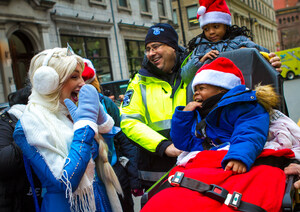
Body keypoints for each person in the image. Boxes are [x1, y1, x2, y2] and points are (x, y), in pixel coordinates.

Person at [13, 47, 123, 212]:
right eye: (74, 76)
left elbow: (107, 158)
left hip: (99, 201)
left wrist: (102, 121)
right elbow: (64, 182)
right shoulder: (29, 124)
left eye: (81, 76)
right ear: (49, 82)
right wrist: (85, 127)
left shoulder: (71, 112)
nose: (82, 83)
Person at [171, 57, 279, 173]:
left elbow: (249, 133)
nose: (196, 93)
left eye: (201, 88)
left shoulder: (244, 106)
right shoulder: (199, 113)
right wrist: (184, 116)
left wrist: (238, 157)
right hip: (209, 160)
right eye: (195, 89)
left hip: (236, 159)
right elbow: (184, 143)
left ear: (222, 90)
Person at [120, 23, 187, 188]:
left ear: (172, 47)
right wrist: (163, 146)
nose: (151, 53)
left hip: (194, 167)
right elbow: (129, 121)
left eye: (156, 46)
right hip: (155, 175)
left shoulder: (193, 73)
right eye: (148, 49)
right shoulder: (138, 82)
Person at [82, 58, 142, 212]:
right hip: (88, 180)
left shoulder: (106, 104)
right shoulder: (66, 108)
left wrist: (134, 179)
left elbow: (125, 140)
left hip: (115, 171)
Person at [181, 0, 282, 85]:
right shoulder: (200, 48)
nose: (211, 32)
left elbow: (262, 55)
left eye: (216, 26)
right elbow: (185, 77)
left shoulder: (240, 41)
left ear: (225, 25)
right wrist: (201, 60)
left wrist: (268, 59)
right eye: (206, 29)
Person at [0, 85, 43, 212]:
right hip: (15, 203)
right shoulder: (6, 122)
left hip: (38, 198)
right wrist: (29, 134)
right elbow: (3, 162)